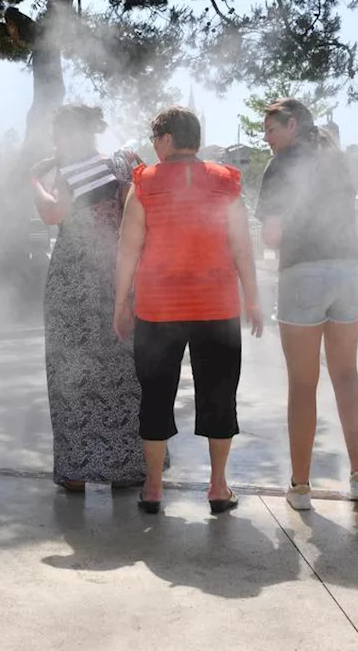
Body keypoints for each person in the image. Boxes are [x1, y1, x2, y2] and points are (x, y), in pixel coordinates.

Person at [114, 106, 263, 515]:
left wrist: (119, 303)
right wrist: (252, 297)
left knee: (156, 395)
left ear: (165, 140)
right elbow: (241, 246)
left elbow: (129, 248)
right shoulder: (226, 181)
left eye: (154, 140)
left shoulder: (143, 182)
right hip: (217, 306)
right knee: (219, 393)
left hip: (158, 308)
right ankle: (218, 487)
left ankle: (154, 488)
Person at [256, 98, 358, 508]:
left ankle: (301, 487)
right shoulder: (336, 159)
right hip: (348, 272)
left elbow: (271, 235)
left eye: (271, 130)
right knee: (346, 375)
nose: (267, 139)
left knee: (303, 385)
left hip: (303, 273)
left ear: (291, 126)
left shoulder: (283, 163)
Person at [31, 105, 145, 492]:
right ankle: (125, 468)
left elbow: (53, 213)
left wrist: (34, 180)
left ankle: (76, 470)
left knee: (70, 374)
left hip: (71, 281)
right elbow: (136, 219)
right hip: (117, 274)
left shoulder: (67, 172)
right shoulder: (122, 164)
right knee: (123, 372)